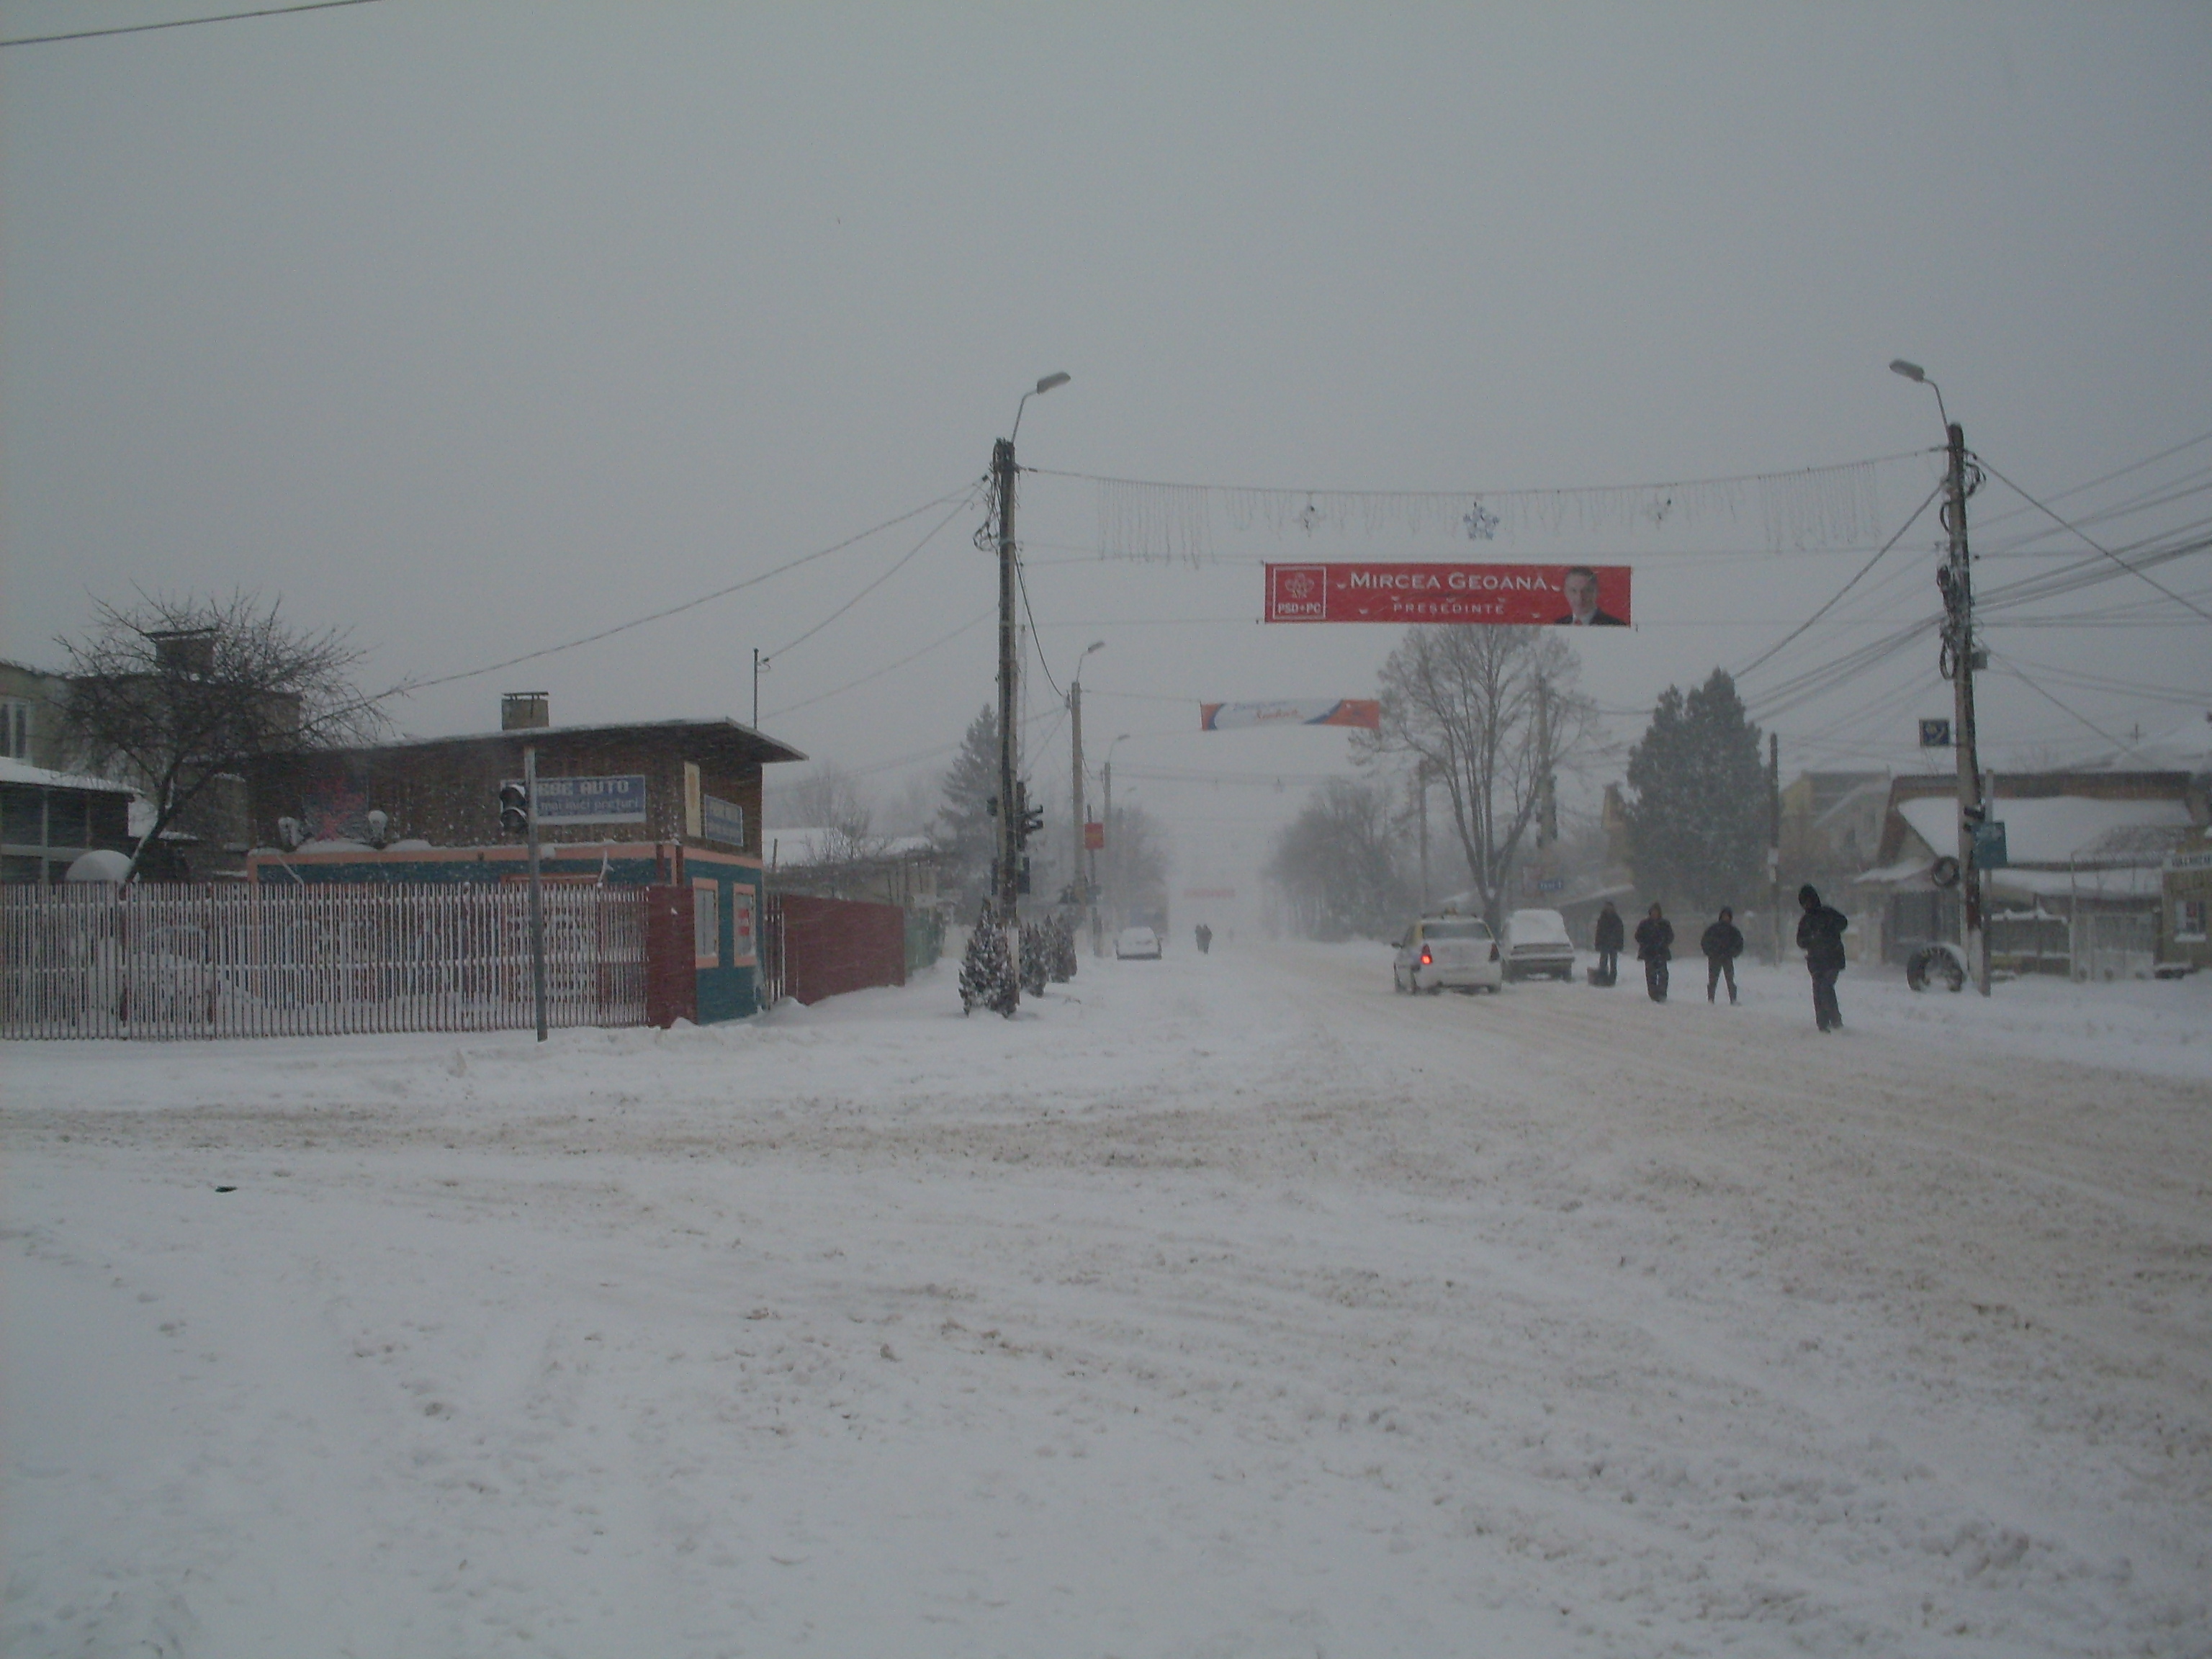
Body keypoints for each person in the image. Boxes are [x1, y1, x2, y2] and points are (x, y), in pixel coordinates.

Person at [1796, 884, 1849, 1032]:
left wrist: (1830, 928)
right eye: (1804, 902)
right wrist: (1812, 940)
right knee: (1818, 990)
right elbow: (1800, 941)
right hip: (1816, 961)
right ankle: (1823, 1023)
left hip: (1833, 958)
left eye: (1809, 900)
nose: (1808, 904)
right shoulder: (1805, 921)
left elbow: (1843, 923)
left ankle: (1835, 1020)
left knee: (1826, 987)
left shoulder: (1828, 913)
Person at [1555, 565, 1626, 626]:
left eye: (1586, 591)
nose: (1579, 598)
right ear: (1565, 593)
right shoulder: (1557, 625)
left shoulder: (1615, 626)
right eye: (1574, 591)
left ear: (1596, 592)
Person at [1701, 906, 1744, 1004]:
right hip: (1714, 958)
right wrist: (1710, 952)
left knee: (1730, 979)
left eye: (1727, 916)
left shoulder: (1733, 931)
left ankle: (1733, 999)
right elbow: (1705, 941)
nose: (1726, 918)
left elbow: (1739, 943)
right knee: (1713, 980)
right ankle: (1711, 999)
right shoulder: (1713, 929)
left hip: (1727, 958)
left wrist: (1734, 953)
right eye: (1724, 916)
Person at [1633, 902, 1673, 1002]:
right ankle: (1653, 993)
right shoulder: (1644, 924)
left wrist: (1663, 943)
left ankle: (1662, 992)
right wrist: (1646, 943)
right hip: (1649, 953)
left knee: (1663, 973)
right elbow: (1638, 936)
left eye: (1656, 912)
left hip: (1661, 952)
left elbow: (1670, 936)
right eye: (1653, 912)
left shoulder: (1665, 924)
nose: (1655, 914)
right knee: (1651, 974)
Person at [1592, 899, 1624, 986]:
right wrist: (1598, 943)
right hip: (1604, 944)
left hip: (1613, 944)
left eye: (1610, 907)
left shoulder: (1617, 919)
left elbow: (1620, 933)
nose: (1609, 909)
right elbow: (1598, 932)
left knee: (1613, 963)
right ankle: (1603, 979)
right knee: (1603, 962)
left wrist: (1619, 944)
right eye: (1607, 907)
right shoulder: (1602, 919)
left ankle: (1612, 980)